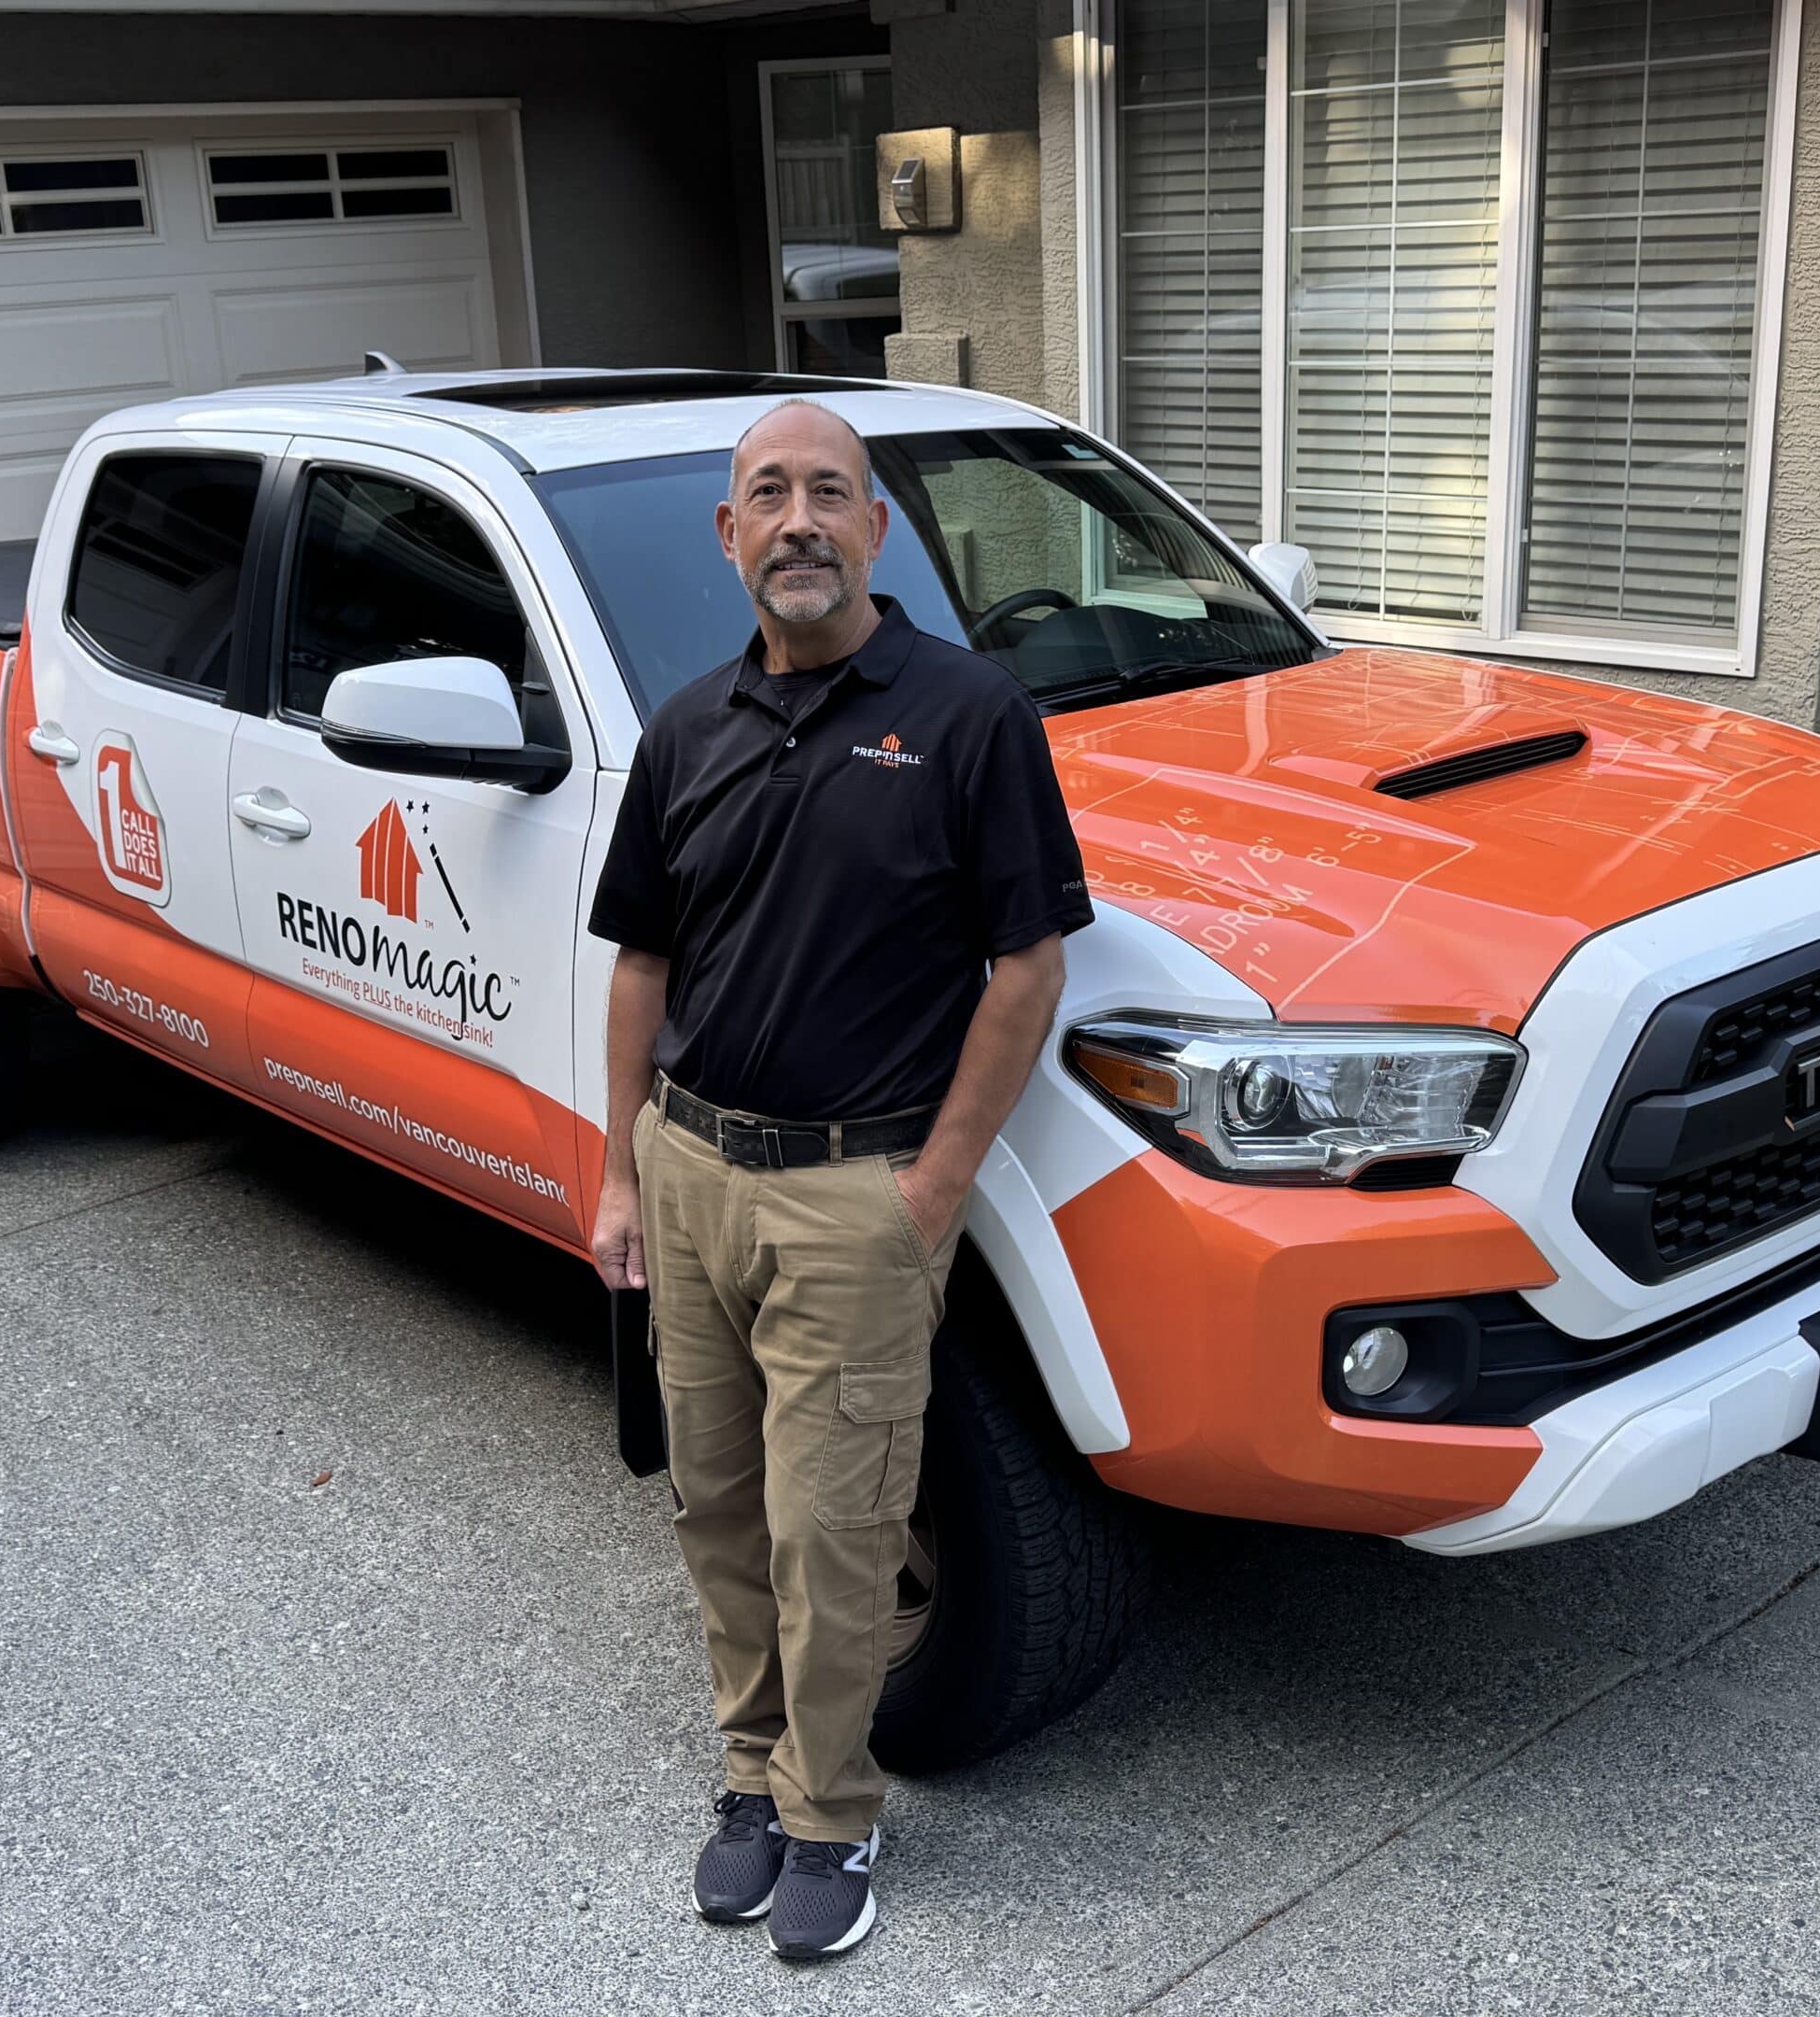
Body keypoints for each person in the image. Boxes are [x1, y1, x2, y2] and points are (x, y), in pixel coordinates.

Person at [585, 398, 1093, 1963]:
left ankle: (830, 1813)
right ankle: (751, 1774)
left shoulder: (968, 717)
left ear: (876, 529)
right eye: (767, 494)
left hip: (853, 1199)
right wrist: (623, 1174)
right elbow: (641, 964)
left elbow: (1028, 970)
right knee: (719, 1504)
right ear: (728, 534)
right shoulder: (686, 730)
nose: (797, 520)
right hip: (689, 1171)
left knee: (836, 1528)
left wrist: (933, 1190)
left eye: (828, 492)